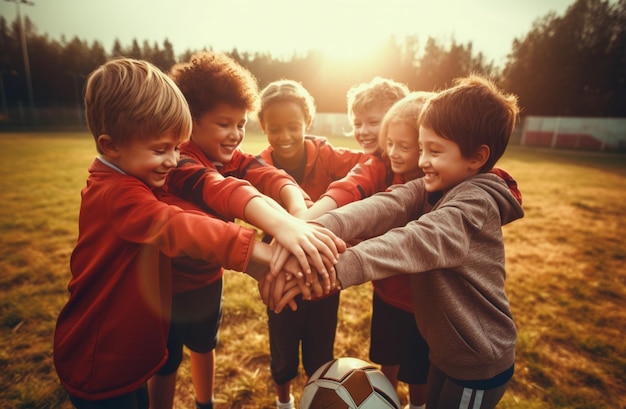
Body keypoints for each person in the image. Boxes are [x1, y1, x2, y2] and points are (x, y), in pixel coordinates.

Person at [52, 58, 309, 409]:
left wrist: (294, 213)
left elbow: (248, 177)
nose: (173, 161)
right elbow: (177, 225)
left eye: (177, 147)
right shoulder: (117, 193)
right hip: (102, 364)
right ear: (110, 145)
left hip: (128, 357)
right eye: (161, 150)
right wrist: (258, 256)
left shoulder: (130, 179)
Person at [268, 74, 524, 409]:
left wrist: (329, 269)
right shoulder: (435, 185)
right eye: (421, 148)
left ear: (476, 158)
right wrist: (308, 232)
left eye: (433, 151)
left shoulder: (474, 204)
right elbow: (385, 205)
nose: (422, 162)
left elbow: (414, 240)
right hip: (445, 353)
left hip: (476, 361)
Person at [153, 52, 341, 409]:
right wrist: (283, 227)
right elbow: (222, 190)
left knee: (204, 345)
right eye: (225, 124)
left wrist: (297, 208)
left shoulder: (227, 155)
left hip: (208, 279)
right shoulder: (180, 161)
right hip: (166, 287)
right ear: (190, 122)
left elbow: (264, 173)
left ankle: (204, 403)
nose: (236, 135)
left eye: (241, 124)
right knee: (164, 363)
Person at [256, 79, 368, 409]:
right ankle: (284, 401)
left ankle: (315, 398)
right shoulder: (258, 165)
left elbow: (372, 163)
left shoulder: (329, 156)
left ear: (308, 120)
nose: (284, 136)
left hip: (324, 277)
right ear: (262, 126)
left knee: (320, 353)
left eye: (293, 126)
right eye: (274, 128)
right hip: (280, 275)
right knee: (282, 349)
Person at [368, 91, 435, 409]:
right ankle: (385, 400)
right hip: (387, 291)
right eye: (389, 143)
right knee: (387, 354)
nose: (393, 152)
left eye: (404, 146)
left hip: (423, 300)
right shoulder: (386, 176)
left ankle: (417, 405)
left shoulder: (439, 188)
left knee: (418, 366)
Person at [303, 76, 409, 219]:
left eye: (373, 122)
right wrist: (303, 221)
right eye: (357, 125)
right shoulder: (375, 164)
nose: (363, 131)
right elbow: (349, 186)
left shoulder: (426, 163)